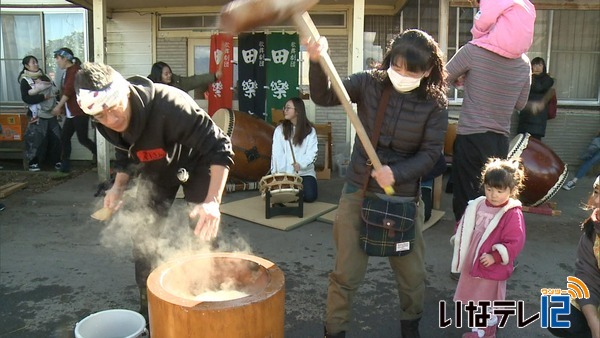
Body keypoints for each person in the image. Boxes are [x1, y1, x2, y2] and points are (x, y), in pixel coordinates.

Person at [306, 29, 448, 338]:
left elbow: (431, 155)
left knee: (413, 277)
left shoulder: (435, 104)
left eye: (412, 70)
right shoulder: (369, 82)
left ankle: (410, 328)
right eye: (397, 66)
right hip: (359, 191)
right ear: (388, 61)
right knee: (345, 274)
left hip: (405, 200)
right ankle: (335, 331)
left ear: (428, 71)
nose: (402, 74)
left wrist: (396, 174)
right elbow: (325, 95)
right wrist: (316, 62)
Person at [74, 61, 234, 320]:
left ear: (125, 92)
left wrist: (212, 201)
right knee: (143, 234)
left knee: (203, 228)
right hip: (158, 167)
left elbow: (220, 146)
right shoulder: (104, 121)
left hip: (198, 159)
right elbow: (125, 154)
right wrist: (117, 187)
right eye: (101, 116)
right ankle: (149, 306)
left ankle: (209, 304)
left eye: (114, 109)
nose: (111, 120)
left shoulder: (170, 105)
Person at [446, 29, 531, 222]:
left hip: (471, 136)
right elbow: (521, 104)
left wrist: (466, 79)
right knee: (494, 197)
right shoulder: (523, 62)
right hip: (499, 139)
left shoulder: (472, 51)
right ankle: (487, 245)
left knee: (465, 199)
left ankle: (464, 243)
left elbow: (443, 77)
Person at [451, 158, 526, 338]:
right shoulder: (477, 204)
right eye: (489, 188)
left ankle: (486, 331)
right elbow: (464, 224)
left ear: (511, 190)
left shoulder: (512, 212)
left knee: (487, 297)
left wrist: (496, 256)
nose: (493, 195)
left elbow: (516, 240)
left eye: (500, 191)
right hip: (473, 258)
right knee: (474, 295)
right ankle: (480, 328)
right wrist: (458, 239)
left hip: (491, 262)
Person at [549, 175, 600, 338]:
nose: (597, 201)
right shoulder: (593, 230)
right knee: (555, 313)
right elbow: (587, 279)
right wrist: (595, 327)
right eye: (596, 192)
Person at [52, 48, 97, 176]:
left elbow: (69, 91)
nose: (57, 61)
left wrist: (58, 107)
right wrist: (62, 107)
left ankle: (101, 159)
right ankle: (65, 167)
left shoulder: (75, 71)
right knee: (65, 137)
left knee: (82, 139)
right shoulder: (68, 71)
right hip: (72, 112)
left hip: (79, 111)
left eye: (58, 58)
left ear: (65, 58)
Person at [18, 55, 62, 172]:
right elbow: (26, 98)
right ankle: (33, 162)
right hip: (36, 114)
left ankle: (57, 161)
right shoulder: (25, 80)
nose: (36, 64)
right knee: (36, 139)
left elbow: (55, 91)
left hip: (51, 112)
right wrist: (43, 97)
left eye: (36, 62)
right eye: (33, 62)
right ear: (26, 66)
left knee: (56, 138)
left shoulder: (45, 77)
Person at [270, 97, 319, 202]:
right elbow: (277, 154)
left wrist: (301, 165)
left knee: (310, 196)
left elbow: (312, 154)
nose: (285, 110)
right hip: (285, 174)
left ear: (297, 111)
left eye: (288, 108)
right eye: (284, 108)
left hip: (304, 173)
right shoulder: (279, 130)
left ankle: (295, 193)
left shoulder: (310, 131)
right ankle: (292, 193)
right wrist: (277, 175)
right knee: (281, 195)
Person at [469, 0, 536, 59]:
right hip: (520, 50)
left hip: (502, 45)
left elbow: (484, 20)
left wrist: (476, 35)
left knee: (467, 50)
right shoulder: (525, 3)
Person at [517, 57, 556, 140]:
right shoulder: (527, 78)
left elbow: (538, 88)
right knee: (522, 143)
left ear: (544, 67)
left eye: (540, 65)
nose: (537, 67)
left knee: (535, 144)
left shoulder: (548, 79)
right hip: (526, 115)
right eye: (534, 65)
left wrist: (532, 76)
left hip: (538, 117)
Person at [147, 61, 222, 93]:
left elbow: (194, 80)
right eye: (166, 74)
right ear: (158, 76)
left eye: (170, 72)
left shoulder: (177, 82)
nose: (169, 75)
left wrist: (214, 76)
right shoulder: (149, 89)